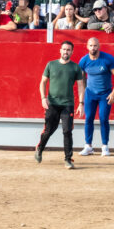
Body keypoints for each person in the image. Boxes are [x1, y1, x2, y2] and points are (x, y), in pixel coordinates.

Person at [35, 40, 85, 170]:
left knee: (67, 131)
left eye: (68, 50)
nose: (66, 52)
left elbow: (80, 86)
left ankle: (68, 159)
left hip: (67, 104)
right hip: (52, 103)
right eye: (64, 49)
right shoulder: (51, 65)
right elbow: (43, 82)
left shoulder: (75, 67)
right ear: (60, 50)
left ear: (72, 52)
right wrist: (43, 98)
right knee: (48, 130)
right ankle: (40, 148)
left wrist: (81, 103)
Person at [77, 37, 114, 157]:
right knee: (88, 118)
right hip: (90, 94)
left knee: (103, 119)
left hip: (105, 94)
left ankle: (105, 147)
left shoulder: (107, 59)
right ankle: (88, 146)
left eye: (95, 46)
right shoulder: (84, 61)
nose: (93, 48)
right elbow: (81, 79)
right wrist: (84, 95)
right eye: (91, 46)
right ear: (87, 46)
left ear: (99, 46)